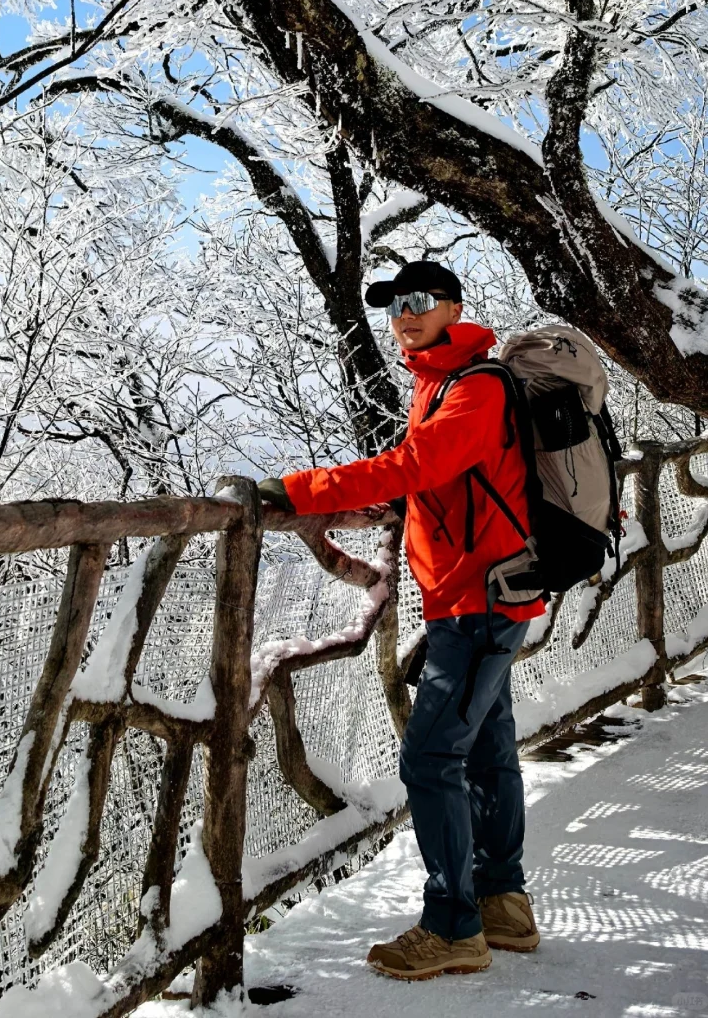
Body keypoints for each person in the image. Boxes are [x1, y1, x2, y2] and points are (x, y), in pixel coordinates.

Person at [259, 260, 543, 981]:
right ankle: (503, 904)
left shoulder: (475, 387)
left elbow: (415, 464)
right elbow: (437, 478)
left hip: (478, 601)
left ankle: (453, 927)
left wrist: (301, 490)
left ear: (454, 308)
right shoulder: (441, 383)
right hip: (478, 594)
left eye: (420, 300)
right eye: (393, 306)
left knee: (428, 759)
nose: (404, 315)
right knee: (486, 749)